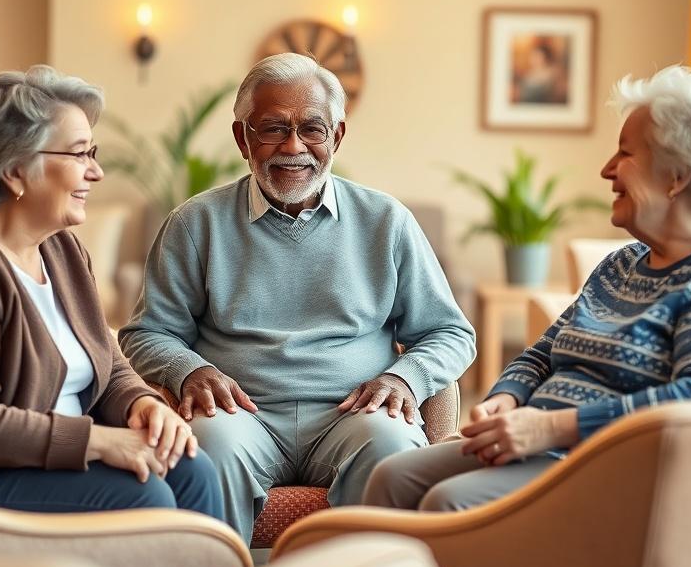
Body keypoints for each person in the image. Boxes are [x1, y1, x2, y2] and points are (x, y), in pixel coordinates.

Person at [364, 65, 691, 512]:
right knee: (393, 477)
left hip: (617, 468)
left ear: (678, 176)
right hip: (542, 451)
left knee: (449, 502)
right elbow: (542, 353)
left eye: (625, 154)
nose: (607, 169)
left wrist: (552, 428)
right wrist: (507, 398)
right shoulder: (623, 263)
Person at [119, 53, 476, 541]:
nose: (294, 147)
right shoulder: (194, 223)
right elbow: (146, 333)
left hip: (354, 416)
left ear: (338, 136)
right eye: (273, 129)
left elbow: (451, 332)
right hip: (240, 416)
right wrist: (188, 370)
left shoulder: (386, 221)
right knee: (203, 451)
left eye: (312, 129)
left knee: (392, 445)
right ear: (243, 138)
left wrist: (407, 376)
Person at [0, 66, 223, 519]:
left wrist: (144, 405)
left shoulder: (62, 249)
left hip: (48, 459)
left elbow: (107, 363)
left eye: (93, 152)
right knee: (142, 497)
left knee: (194, 471)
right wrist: (101, 442)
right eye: (78, 154)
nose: (97, 171)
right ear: (15, 170)